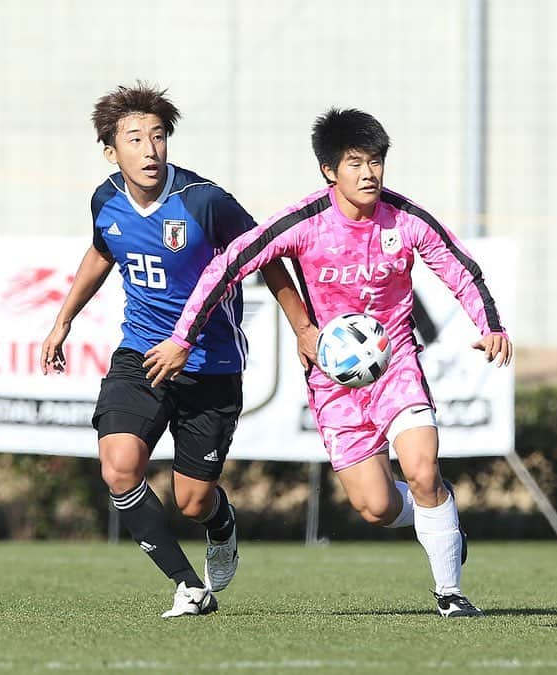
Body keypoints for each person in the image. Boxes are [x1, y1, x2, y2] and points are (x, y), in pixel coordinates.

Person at [145, 108, 513, 618]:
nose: (369, 174)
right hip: (333, 382)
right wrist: (182, 337)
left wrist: (489, 325)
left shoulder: (405, 219)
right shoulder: (305, 222)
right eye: (356, 162)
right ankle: (438, 513)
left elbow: (460, 268)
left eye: (377, 161)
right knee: (376, 508)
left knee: (422, 469)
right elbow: (230, 263)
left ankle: (450, 592)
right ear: (329, 170)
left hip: (395, 366)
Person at [40, 83, 305, 618]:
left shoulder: (205, 202)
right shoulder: (105, 199)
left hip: (211, 365)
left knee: (192, 500)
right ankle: (187, 585)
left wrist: (303, 328)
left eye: (158, 137)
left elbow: (268, 257)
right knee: (119, 466)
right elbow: (100, 252)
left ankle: (220, 523)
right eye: (135, 139)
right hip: (140, 354)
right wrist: (62, 321)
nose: (150, 150)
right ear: (112, 151)